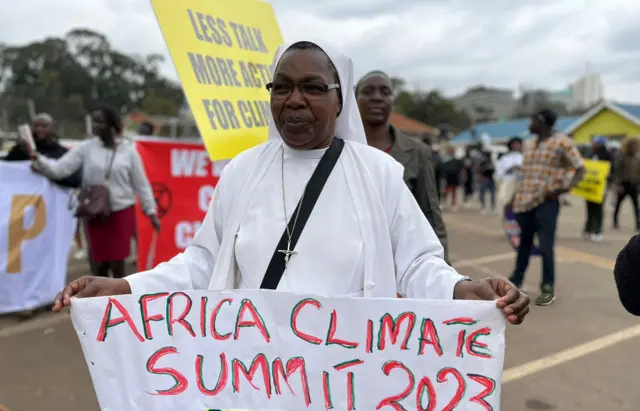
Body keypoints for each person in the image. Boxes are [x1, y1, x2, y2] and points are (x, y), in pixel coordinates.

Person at [51, 41, 529, 325]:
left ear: (339, 101)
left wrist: (462, 290)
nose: (294, 100)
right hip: (254, 374)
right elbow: (202, 263)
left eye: (313, 87)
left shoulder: (378, 173)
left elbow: (418, 263)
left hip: (347, 373)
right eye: (282, 86)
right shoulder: (242, 170)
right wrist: (125, 286)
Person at [31, 106, 160, 279]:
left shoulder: (128, 151)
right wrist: (37, 159)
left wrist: (150, 211)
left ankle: (120, 301)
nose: (94, 126)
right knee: (98, 265)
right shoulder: (85, 148)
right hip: (94, 212)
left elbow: (141, 184)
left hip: (121, 212)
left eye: (99, 121)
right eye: (94, 121)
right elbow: (60, 170)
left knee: (117, 262)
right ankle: (100, 303)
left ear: (111, 124)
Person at [355, 70, 449, 260]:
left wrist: (444, 269)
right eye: (368, 91)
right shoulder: (338, 148)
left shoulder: (417, 152)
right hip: (350, 262)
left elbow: (430, 214)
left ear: (392, 101)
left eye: (385, 92)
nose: (377, 97)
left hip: (399, 261)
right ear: (354, 99)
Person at [510, 109, 585, 306]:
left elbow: (580, 168)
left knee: (545, 245)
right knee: (524, 243)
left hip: (547, 200)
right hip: (524, 200)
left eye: (532, 120)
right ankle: (517, 279)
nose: (529, 124)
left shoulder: (562, 142)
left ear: (542, 122)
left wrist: (565, 188)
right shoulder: (529, 143)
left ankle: (547, 286)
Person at [3, 113, 81, 189]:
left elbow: (74, 180)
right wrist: (19, 150)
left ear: (52, 128)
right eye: (36, 126)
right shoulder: (21, 151)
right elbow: (6, 167)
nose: (39, 129)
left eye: (44, 126)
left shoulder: (63, 153)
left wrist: (46, 172)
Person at [582, 136, 612, 241]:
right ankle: (588, 229)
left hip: (601, 188)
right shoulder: (589, 155)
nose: (594, 145)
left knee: (598, 209)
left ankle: (598, 230)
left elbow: (613, 171)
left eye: (596, 143)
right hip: (590, 187)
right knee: (589, 208)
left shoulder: (607, 156)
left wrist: (608, 176)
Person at [613, 136, 640, 231]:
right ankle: (615, 222)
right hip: (624, 184)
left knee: (636, 206)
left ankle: (638, 224)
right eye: (631, 145)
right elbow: (617, 171)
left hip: (634, 185)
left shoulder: (637, 158)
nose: (633, 147)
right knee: (618, 205)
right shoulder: (622, 157)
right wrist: (618, 185)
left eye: (635, 145)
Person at [495, 136, 523, 215]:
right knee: (506, 202)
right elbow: (499, 173)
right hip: (508, 182)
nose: (516, 146)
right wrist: (509, 169)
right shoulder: (505, 158)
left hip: (521, 183)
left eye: (518, 144)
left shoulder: (524, 157)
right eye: (514, 144)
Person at [440, 145, 462, 212]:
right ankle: (444, 203)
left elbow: (460, 168)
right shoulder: (445, 159)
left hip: (454, 177)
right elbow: (442, 168)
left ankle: (453, 204)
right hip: (447, 177)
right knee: (446, 190)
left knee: (454, 191)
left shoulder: (457, 159)